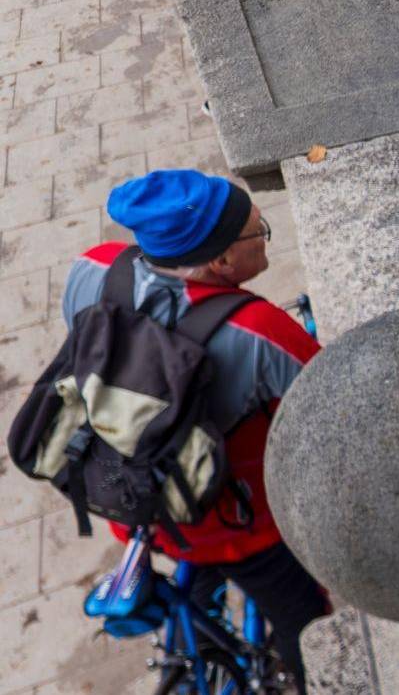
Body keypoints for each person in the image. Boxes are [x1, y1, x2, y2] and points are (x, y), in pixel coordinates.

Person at [61, 170, 329, 686]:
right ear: (222, 261)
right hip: (238, 528)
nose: (265, 237)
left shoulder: (90, 269)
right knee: (308, 622)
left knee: (195, 583)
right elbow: (337, 409)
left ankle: (200, 640)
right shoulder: (258, 333)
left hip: (132, 502)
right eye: (260, 231)